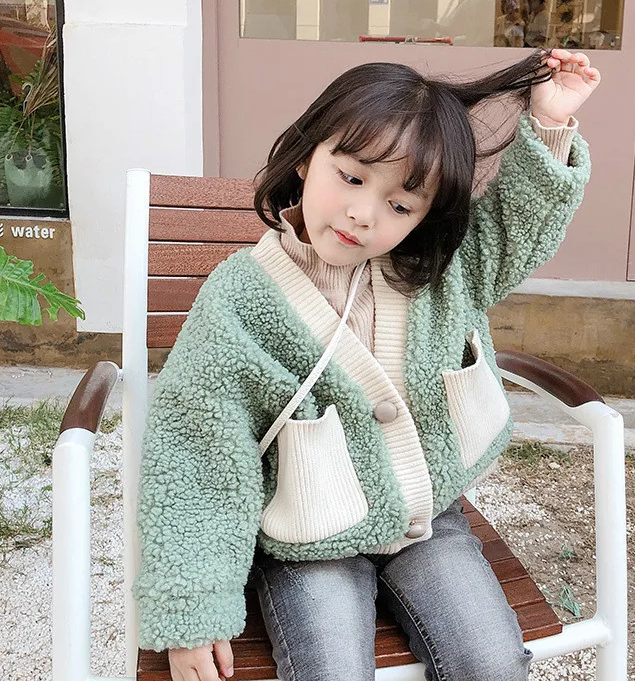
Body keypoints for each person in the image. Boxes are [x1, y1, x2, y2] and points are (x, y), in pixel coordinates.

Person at [133, 48, 601, 681]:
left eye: (401, 206)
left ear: (426, 217)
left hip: (427, 520)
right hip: (309, 541)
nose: (364, 214)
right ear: (307, 157)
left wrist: (549, 120)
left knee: (491, 663)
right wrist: (193, 614)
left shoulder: (439, 271)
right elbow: (198, 456)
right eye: (352, 178)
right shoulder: (240, 299)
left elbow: (515, 227)